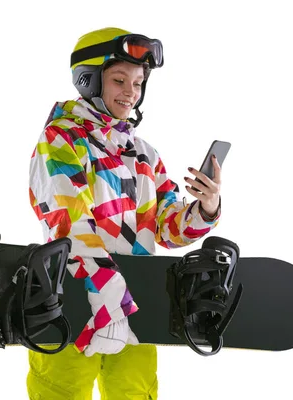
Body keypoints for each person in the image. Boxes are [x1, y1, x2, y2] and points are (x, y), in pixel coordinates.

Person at [27, 27, 223, 400]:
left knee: (135, 393)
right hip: (73, 295)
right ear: (88, 79)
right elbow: (68, 224)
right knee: (60, 391)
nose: (131, 92)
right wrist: (107, 296)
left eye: (138, 82)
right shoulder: (62, 140)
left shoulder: (144, 154)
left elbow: (167, 228)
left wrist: (204, 207)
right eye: (119, 80)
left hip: (135, 302)